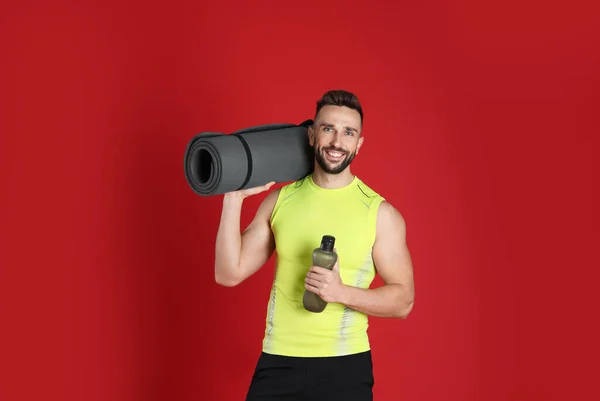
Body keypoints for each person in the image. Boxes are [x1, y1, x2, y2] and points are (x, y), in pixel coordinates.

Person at [214, 89, 415, 401]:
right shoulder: (280, 200)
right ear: (311, 135)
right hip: (279, 360)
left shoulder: (380, 214)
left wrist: (340, 293)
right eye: (328, 129)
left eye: (348, 132)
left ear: (359, 144)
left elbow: (403, 301)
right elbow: (229, 274)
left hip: (344, 367)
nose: (337, 142)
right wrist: (233, 199)